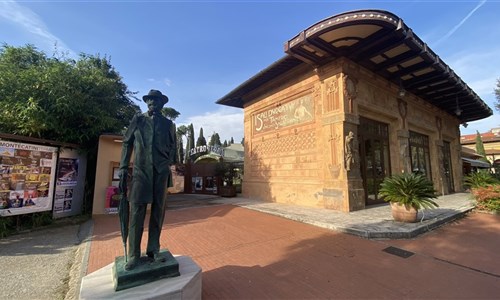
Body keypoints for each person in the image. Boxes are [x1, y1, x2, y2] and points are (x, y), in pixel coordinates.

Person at [119, 89, 177, 270]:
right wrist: (122, 166)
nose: (152, 102)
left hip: (160, 172)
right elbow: (127, 143)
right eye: (150, 100)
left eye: (156, 100)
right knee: (137, 210)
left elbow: (173, 146)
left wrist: (168, 162)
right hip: (140, 172)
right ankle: (134, 255)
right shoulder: (138, 120)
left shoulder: (168, 124)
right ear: (146, 103)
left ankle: (154, 249)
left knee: (158, 212)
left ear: (162, 103)